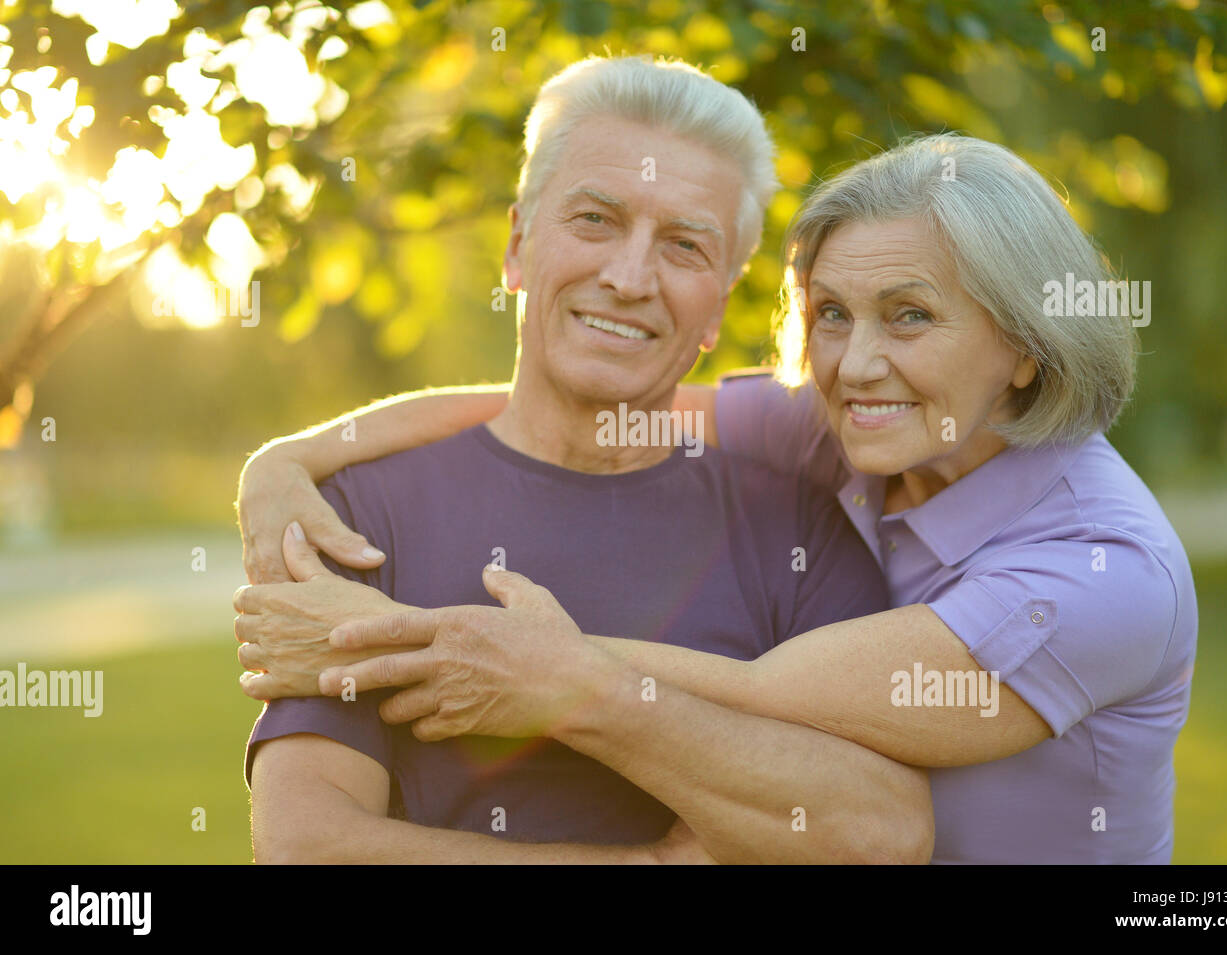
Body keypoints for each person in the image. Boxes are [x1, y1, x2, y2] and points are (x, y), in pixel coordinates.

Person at [240, 131, 1198, 864]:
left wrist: (403, 643)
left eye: (911, 315)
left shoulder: (1101, 573)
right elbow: (569, 406)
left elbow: (762, 690)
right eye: (831, 314)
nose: (857, 363)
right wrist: (288, 457)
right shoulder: (848, 421)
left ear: (1026, 345)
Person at [236, 54, 933, 865]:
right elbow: (308, 848)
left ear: (718, 303)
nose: (629, 277)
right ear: (517, 248)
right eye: (595, 220)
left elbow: (884, 834)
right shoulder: (352, 513)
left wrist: (580, 693)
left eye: (683, 245)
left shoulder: (802, 523)